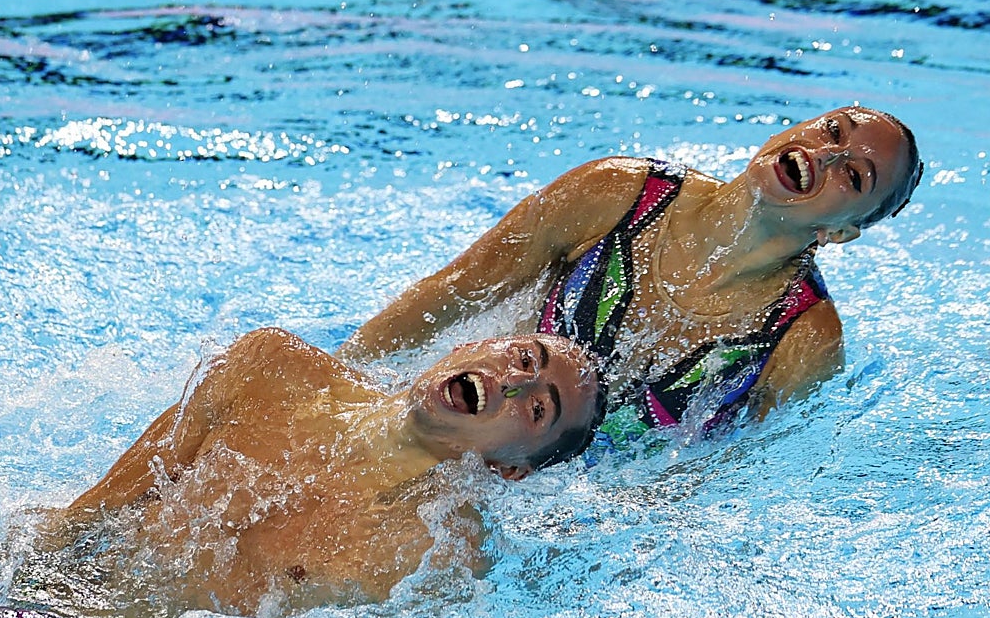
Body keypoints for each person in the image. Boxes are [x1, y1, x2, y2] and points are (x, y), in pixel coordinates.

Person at [0, 328, 604, 618]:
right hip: (31, 608)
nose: (514, 384)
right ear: (480, 343)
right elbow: (90, 514)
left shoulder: (436, 552)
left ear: (508, 467)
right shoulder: (268, 369)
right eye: (524, 359)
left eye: (538, 408)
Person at [339, 106, 924, 444]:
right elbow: (457, 290)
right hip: (479, 428)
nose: (826, 156)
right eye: (832, 132)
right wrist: (342, 377)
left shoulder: (804, 339)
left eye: (855, 177)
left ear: (841, 232)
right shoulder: (617, 192)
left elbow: (738, 474)